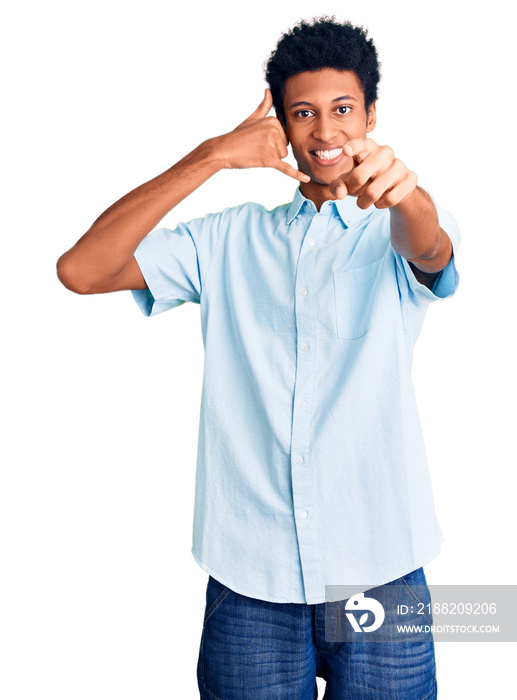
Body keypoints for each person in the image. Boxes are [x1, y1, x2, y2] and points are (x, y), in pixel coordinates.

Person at [56, 16, 460, 700]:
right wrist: (210, 156)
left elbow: (430, 248)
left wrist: (407, 193)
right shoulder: (226, 239)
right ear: (278, 122)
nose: (325, 133)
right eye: (303, 113)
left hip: (382, 567)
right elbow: (81, 270)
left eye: (342, 111)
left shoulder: (393, 224)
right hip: (250, 577)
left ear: (370, 116)